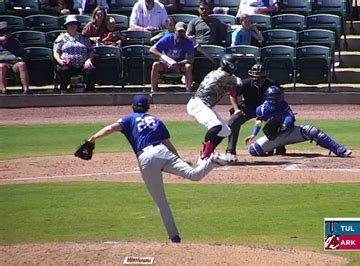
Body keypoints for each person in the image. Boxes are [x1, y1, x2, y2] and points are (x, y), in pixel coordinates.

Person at [86, 95, 228, 243]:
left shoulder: (128, 119)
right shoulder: (157, 121)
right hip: (162, 151)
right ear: (147, 107)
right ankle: (212, 160)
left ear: (133, 107)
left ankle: (174, 237)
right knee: (194, 175)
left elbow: (110, 128)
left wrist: (92, 139)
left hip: (146, 157)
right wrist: (179, 160)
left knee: (161, 202)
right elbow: (168, 144)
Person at [245, 86, 352, 158]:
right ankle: (274, 148)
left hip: (289, 132)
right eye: (276, 97)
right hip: (275, 137)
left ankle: (339, 150)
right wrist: (254, 134)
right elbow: (259, 121)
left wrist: (283, 126)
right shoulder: (261, 109)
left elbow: (289, 119)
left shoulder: (283, 105)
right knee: (253, 150)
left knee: (311, 130)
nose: (278, 99)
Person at [187, 54, 242, 163]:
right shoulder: (223, 76)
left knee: (225, 131)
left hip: (202, 104)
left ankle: (209, 152)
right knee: (216, 126)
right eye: (232, 66)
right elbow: (239, 83)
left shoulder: (214, 72)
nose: (234, 68)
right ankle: (203, 156)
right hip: (198, 104)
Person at [225, 64, 285, 162]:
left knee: (279, 119)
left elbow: (280, 98)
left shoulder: (272, 84)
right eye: (256, 77)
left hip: (265, 109)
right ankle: (230, 150)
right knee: (233, 121)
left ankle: (278, 146)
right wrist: (236, 109)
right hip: (247, 108)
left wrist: (280, 110)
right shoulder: (244, 83)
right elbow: (233, 94)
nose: (259, 79)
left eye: (261, 77)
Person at [53, 15, 95, 92]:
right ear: (66, 26)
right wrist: (60, 61)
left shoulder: (84, 38)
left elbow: (90, 51)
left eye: (74, 24)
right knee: (64, 70)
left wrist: (89, 60)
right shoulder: (61, 38)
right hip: (67, 65)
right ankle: (63, 90)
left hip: (82, 65)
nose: (72, 26)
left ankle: (89, 92)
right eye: (70, 24)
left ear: (77, 25)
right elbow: (56, 52)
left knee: (91, 69)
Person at [150, 21, 194, 92]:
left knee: (188, 66)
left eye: (182, 31)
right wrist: (162, 56)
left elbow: (191, 59)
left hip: (179, 64)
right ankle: (153, 89)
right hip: (166, 64)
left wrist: (178, 63)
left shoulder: (188, 42)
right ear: (175, 31)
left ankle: (188, 90)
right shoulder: (168, 38)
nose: (180, 34)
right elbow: (152, 49)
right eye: (178, 31)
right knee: (155, 65)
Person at [0, 22, 30, 94]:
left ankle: (26, 89)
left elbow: (23, 54)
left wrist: (21, 58)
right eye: (3, 32)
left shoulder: (15, 42)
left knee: (22, 64)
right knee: (1, 66)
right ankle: (3, 89)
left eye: (7, 32)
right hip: (2, 63)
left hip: (14, 63)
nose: (5, 34)